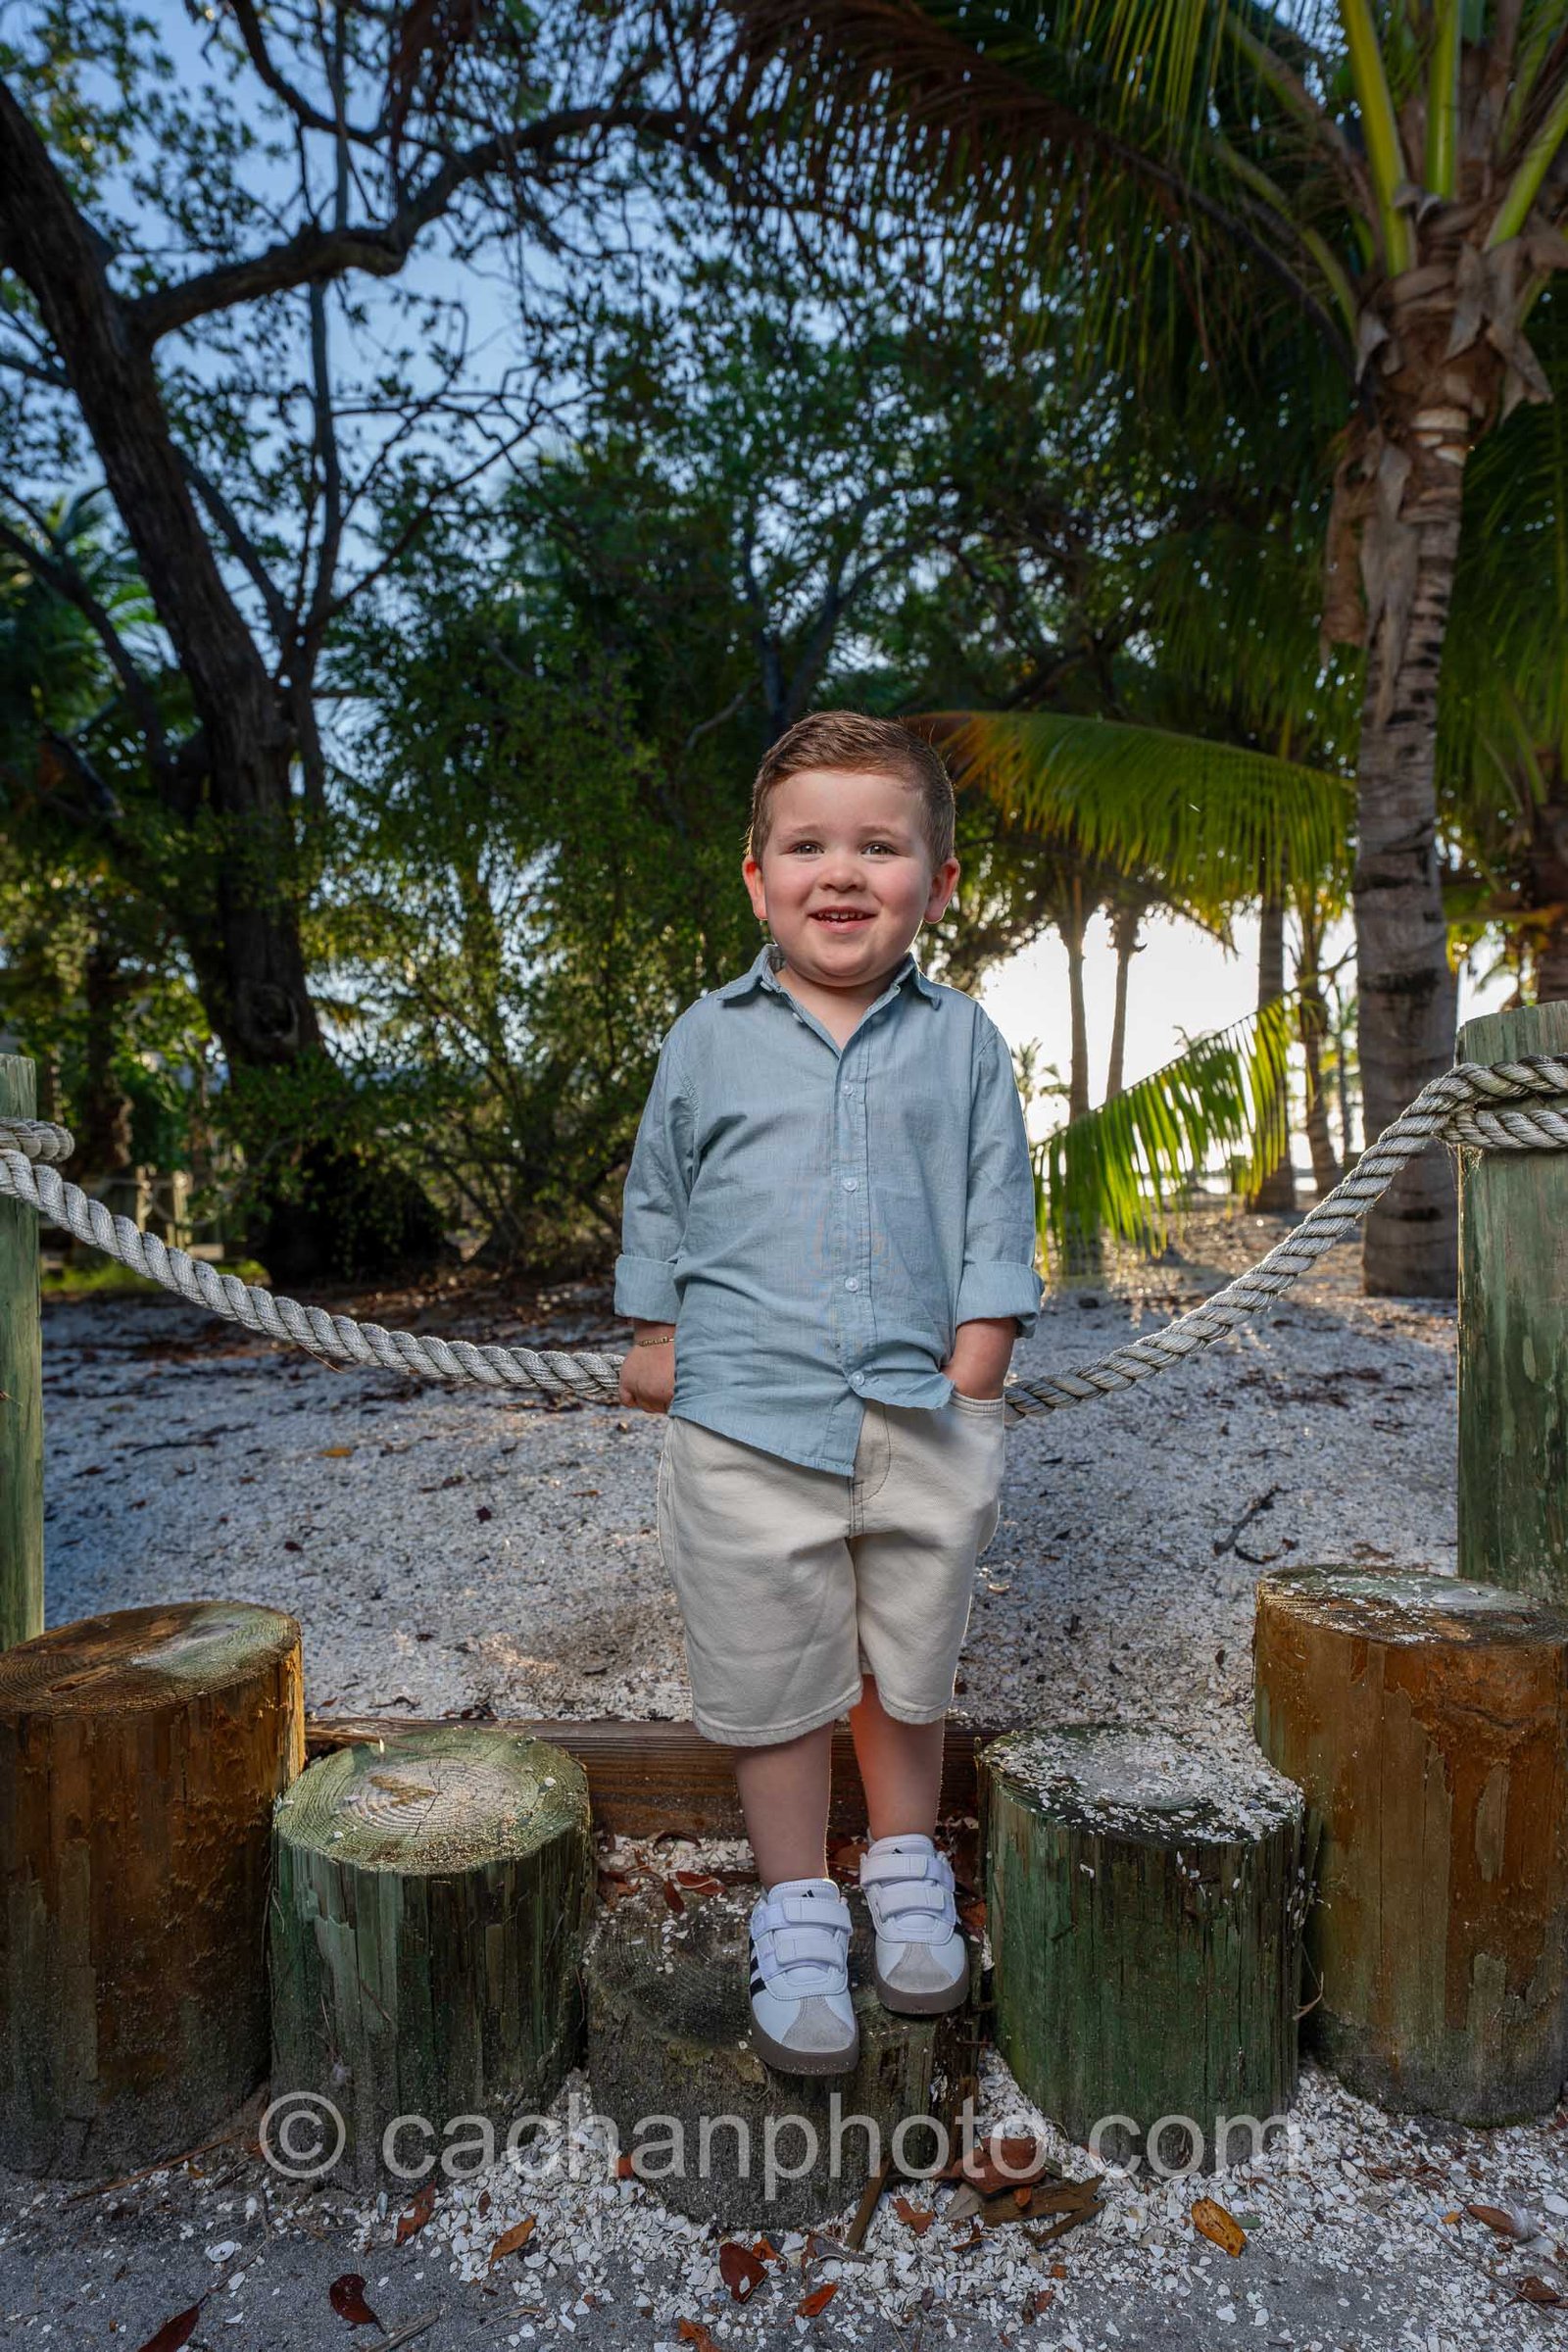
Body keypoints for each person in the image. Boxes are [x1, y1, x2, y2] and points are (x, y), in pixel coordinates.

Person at [614, 710, 1043, 2077]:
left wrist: (985, 1340)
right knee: (774, 1670)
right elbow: (661, 1190)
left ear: (939, 881)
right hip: (745, 1419)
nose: (842, 871)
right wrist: (654, 1327)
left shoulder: (965, 1041)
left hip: (924, 1412)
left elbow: (996, 1192)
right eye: (807, 847)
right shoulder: (708, 1038)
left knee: (908, 1657)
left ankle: (906, 1862)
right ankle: (797, 1897)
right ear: (758, 879)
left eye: (879, 846)